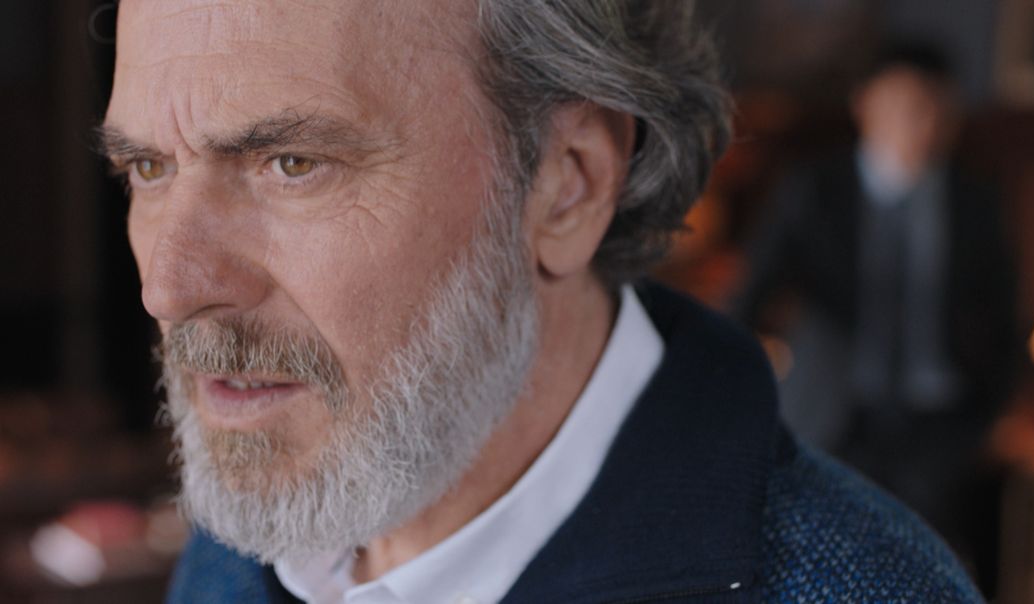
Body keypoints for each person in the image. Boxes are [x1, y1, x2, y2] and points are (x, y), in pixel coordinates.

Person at [100, 3, 982, 602]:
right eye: (148, 166)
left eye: (293, 164)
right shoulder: (244, 540)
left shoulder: (865, 587)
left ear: (569, 184)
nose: (168, 287)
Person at [735, 42, 1018, 579]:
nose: (919, 123)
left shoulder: (977, 200)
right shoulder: (814, 189)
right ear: (865, 104)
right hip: (832, 417)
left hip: (936, 427)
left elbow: (1005, 320)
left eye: (934, 108)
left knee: (926, 571)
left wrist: (984, 421)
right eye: (903, 104)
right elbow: (750, 296)